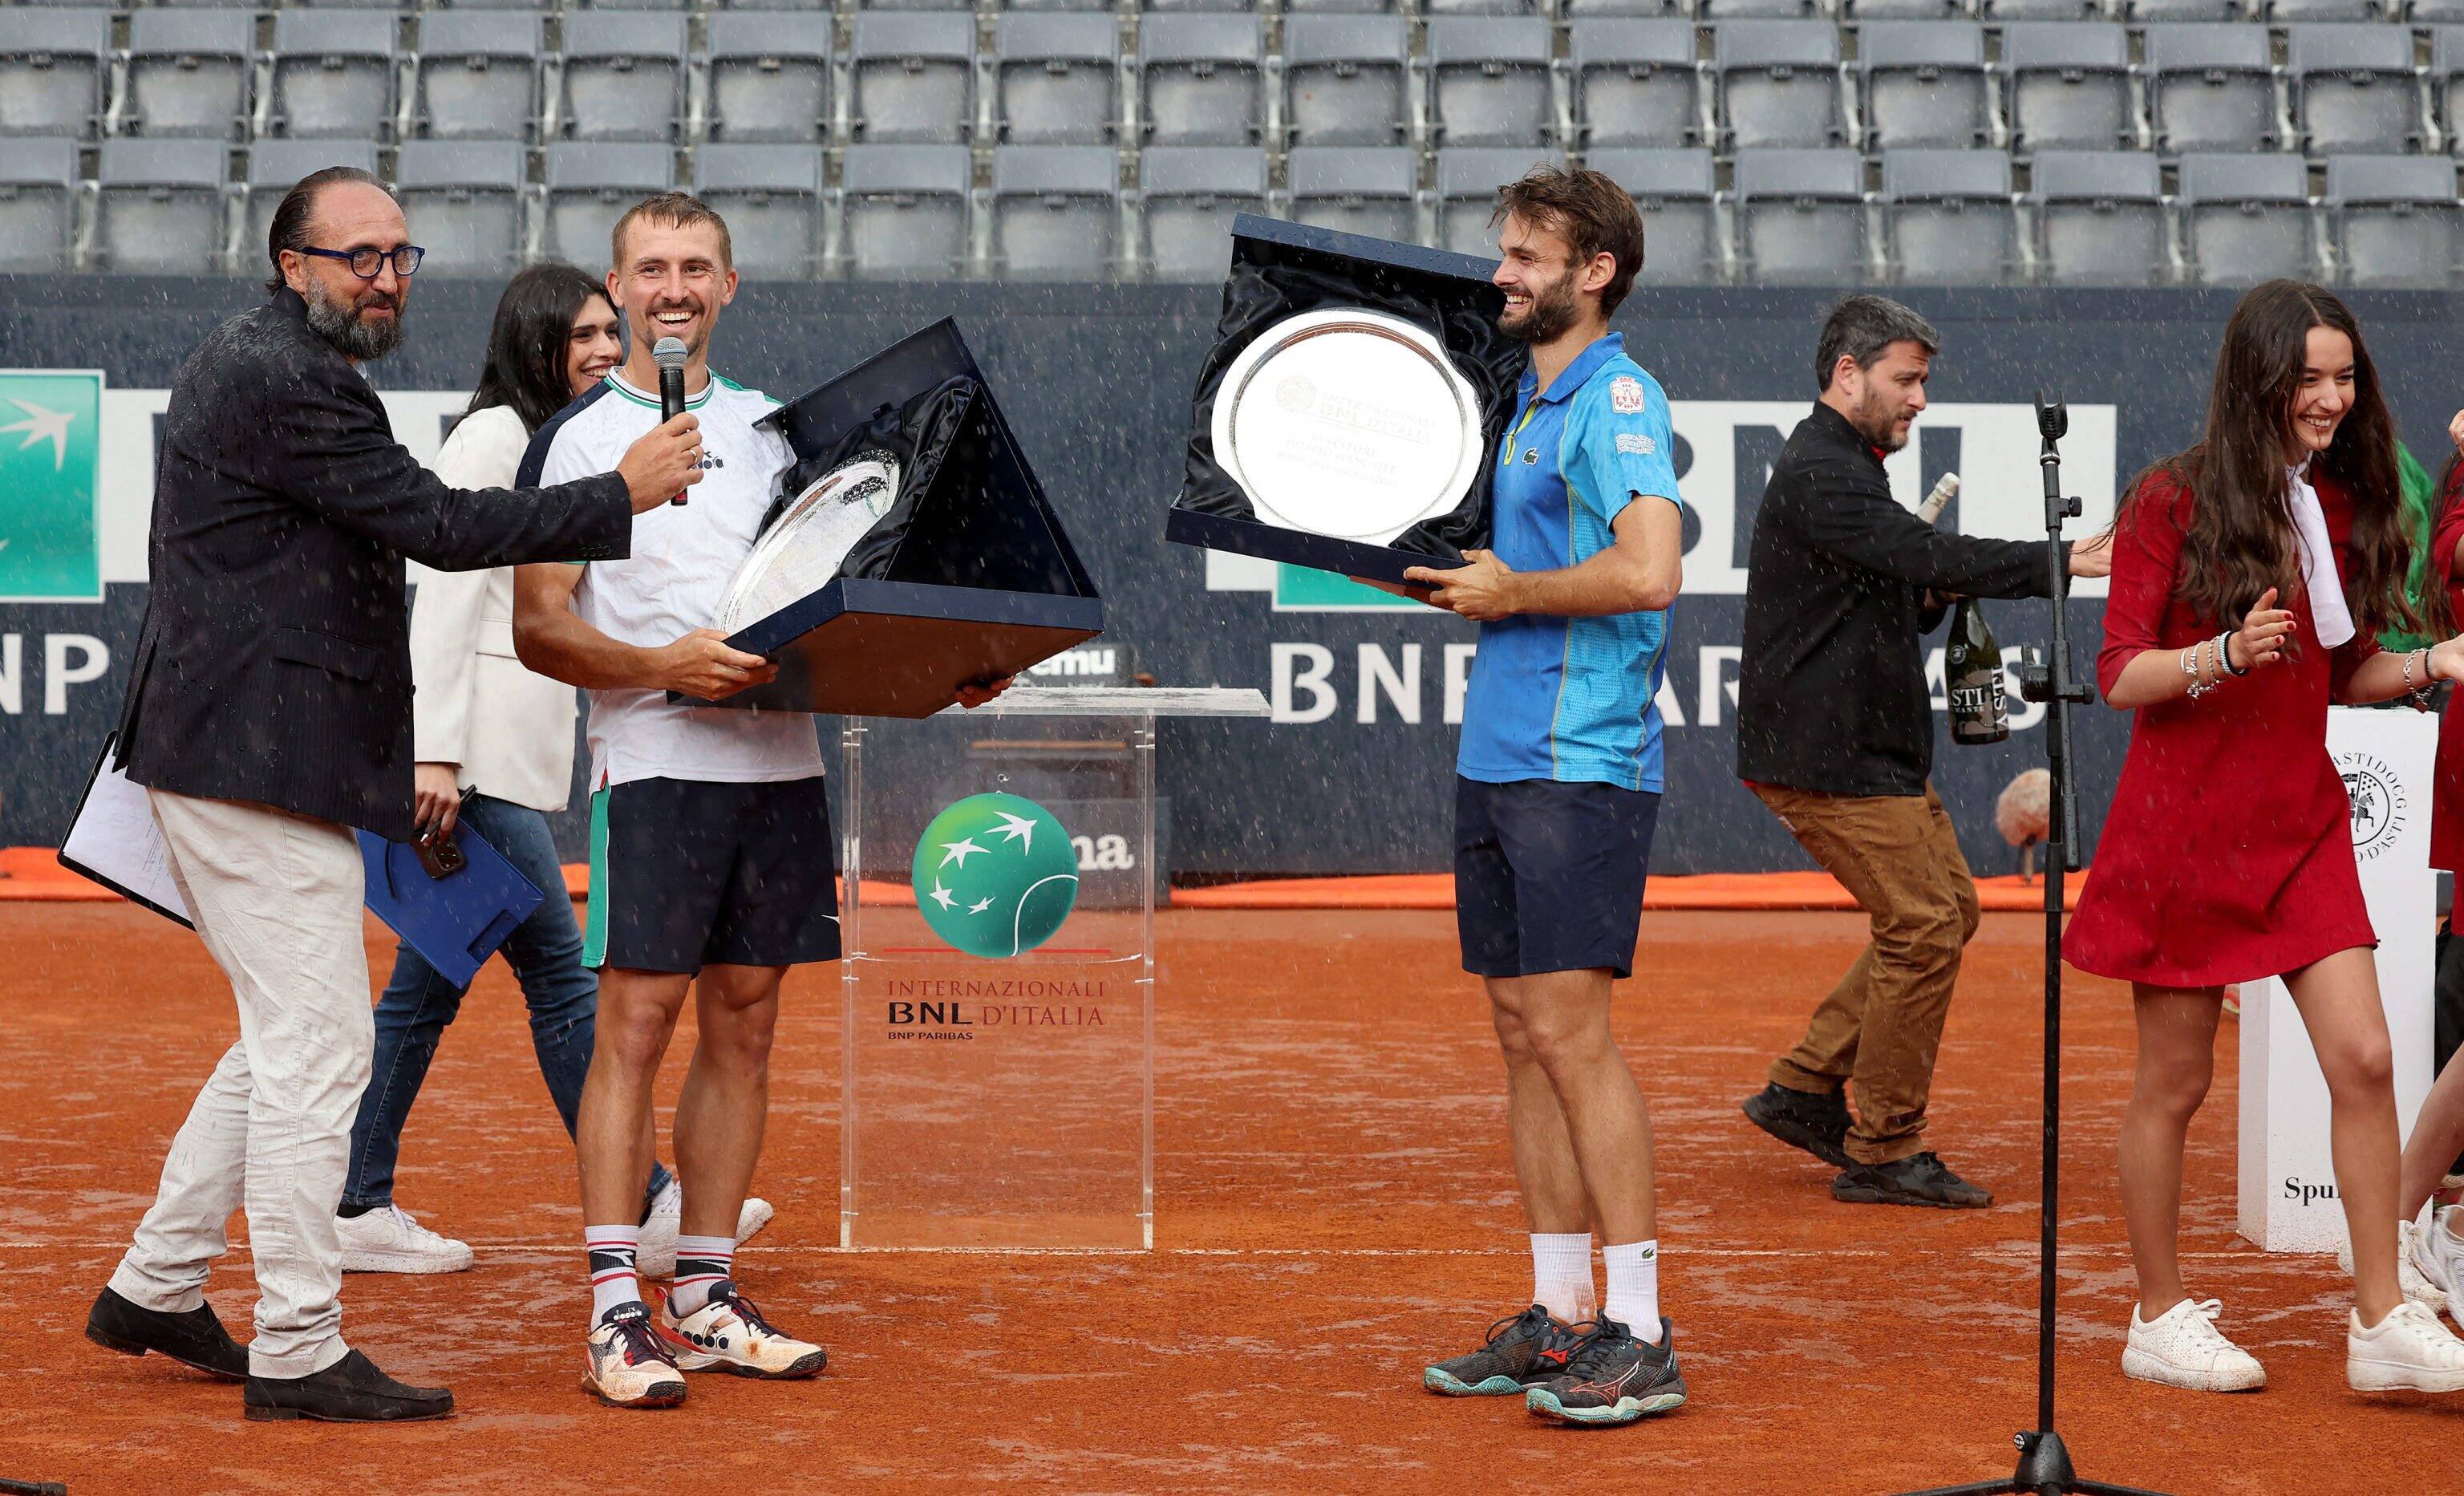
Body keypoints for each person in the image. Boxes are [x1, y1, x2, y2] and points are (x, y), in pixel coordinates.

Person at [83, 167, 704, 1423]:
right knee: (319, 1047)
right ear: (292, 263)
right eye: (357, 256)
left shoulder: (278, 366)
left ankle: (157, 1281)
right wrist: (618, 495)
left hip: (252, 755)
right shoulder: (286, 376)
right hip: (254, 762)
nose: (384, 278)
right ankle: (298, 1344)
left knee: (283, 1039)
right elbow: (439, 525)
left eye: (399, 257)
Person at [516, 193, 1008, 1409]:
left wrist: (948, 664)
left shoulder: (781, 435)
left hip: (779, 765)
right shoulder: (576, 443)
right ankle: (613, 1311)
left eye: (696, 267)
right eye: (650, 269)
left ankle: (704, 1293)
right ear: (618, 290)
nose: (673, 288)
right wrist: (661, 666)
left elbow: (840, 606)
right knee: (635, 1027)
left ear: (729, 287)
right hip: (652, 768)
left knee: (745, 1023)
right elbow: (539, 629)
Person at [2065, 278, 2464, 1395]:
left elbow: (2344, 672)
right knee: (2175, 1081)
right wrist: (2225, 655)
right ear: (2259, 380)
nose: (2331, 398)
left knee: (2368, 1058)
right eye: (2309, 379)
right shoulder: (2170, 498)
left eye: (2345, 377)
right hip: (2186, 828)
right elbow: (2120, 672)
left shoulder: (2340, 502)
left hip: (2301, 822)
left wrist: (2431, 661)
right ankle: (2158, 1315)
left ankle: (2380, 1318)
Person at [334, 264, 770, 1277]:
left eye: (609, 334)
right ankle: (652, 1202)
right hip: (474, 763)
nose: (606, 350)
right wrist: (433, 753)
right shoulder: (495, 437)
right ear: (535, 344)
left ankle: (354, 1196)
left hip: (504, 755)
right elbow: (445, 600)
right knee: (566, 981)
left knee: (426, 988)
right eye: (582, 336)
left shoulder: (567, 440)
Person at [1398, 167, 1689, 1428]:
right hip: (1502, 752)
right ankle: (1563, 1309)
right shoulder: (1521, 399)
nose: (1501, 272)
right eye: (1504, 250)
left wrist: (1512, 592)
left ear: (1595, 272)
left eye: (1526, 254)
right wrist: (1461, 579)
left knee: (1573, 1039)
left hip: (1584, 760)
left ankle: (1644, 1332)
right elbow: (1516, 568)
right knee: (1522, 1036)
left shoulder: (1617, 396)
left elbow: (1652, 569)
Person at [1731, 294, 2111, 1209]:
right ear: (1848, 374)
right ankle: (1885, 1144)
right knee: (1926, 924)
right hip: (1831, 759)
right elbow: (1924, 553)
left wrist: (1932, 588)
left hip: (1863, 752)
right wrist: (2061, 560)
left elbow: (1897, 585)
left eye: (1922, 382)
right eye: (1906, 380)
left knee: (1946, 910)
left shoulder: (1844, 468)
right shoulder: (1823, 472)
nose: (1919, 399)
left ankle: (1805, 1083)